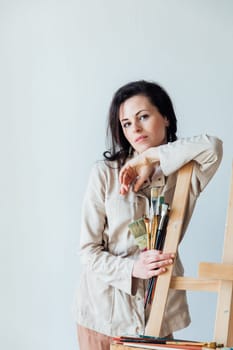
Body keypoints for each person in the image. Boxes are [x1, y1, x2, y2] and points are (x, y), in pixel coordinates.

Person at [73, 80, 223, 350]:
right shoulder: (104, 174)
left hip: (158, 314)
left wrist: (149, 159)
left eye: (143, 116)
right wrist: (133, 268)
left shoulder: (186, 173)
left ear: (165, 117)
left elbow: (212, 147)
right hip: (104, 316)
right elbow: (88, 251)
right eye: (127, 123)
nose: (135, 129)